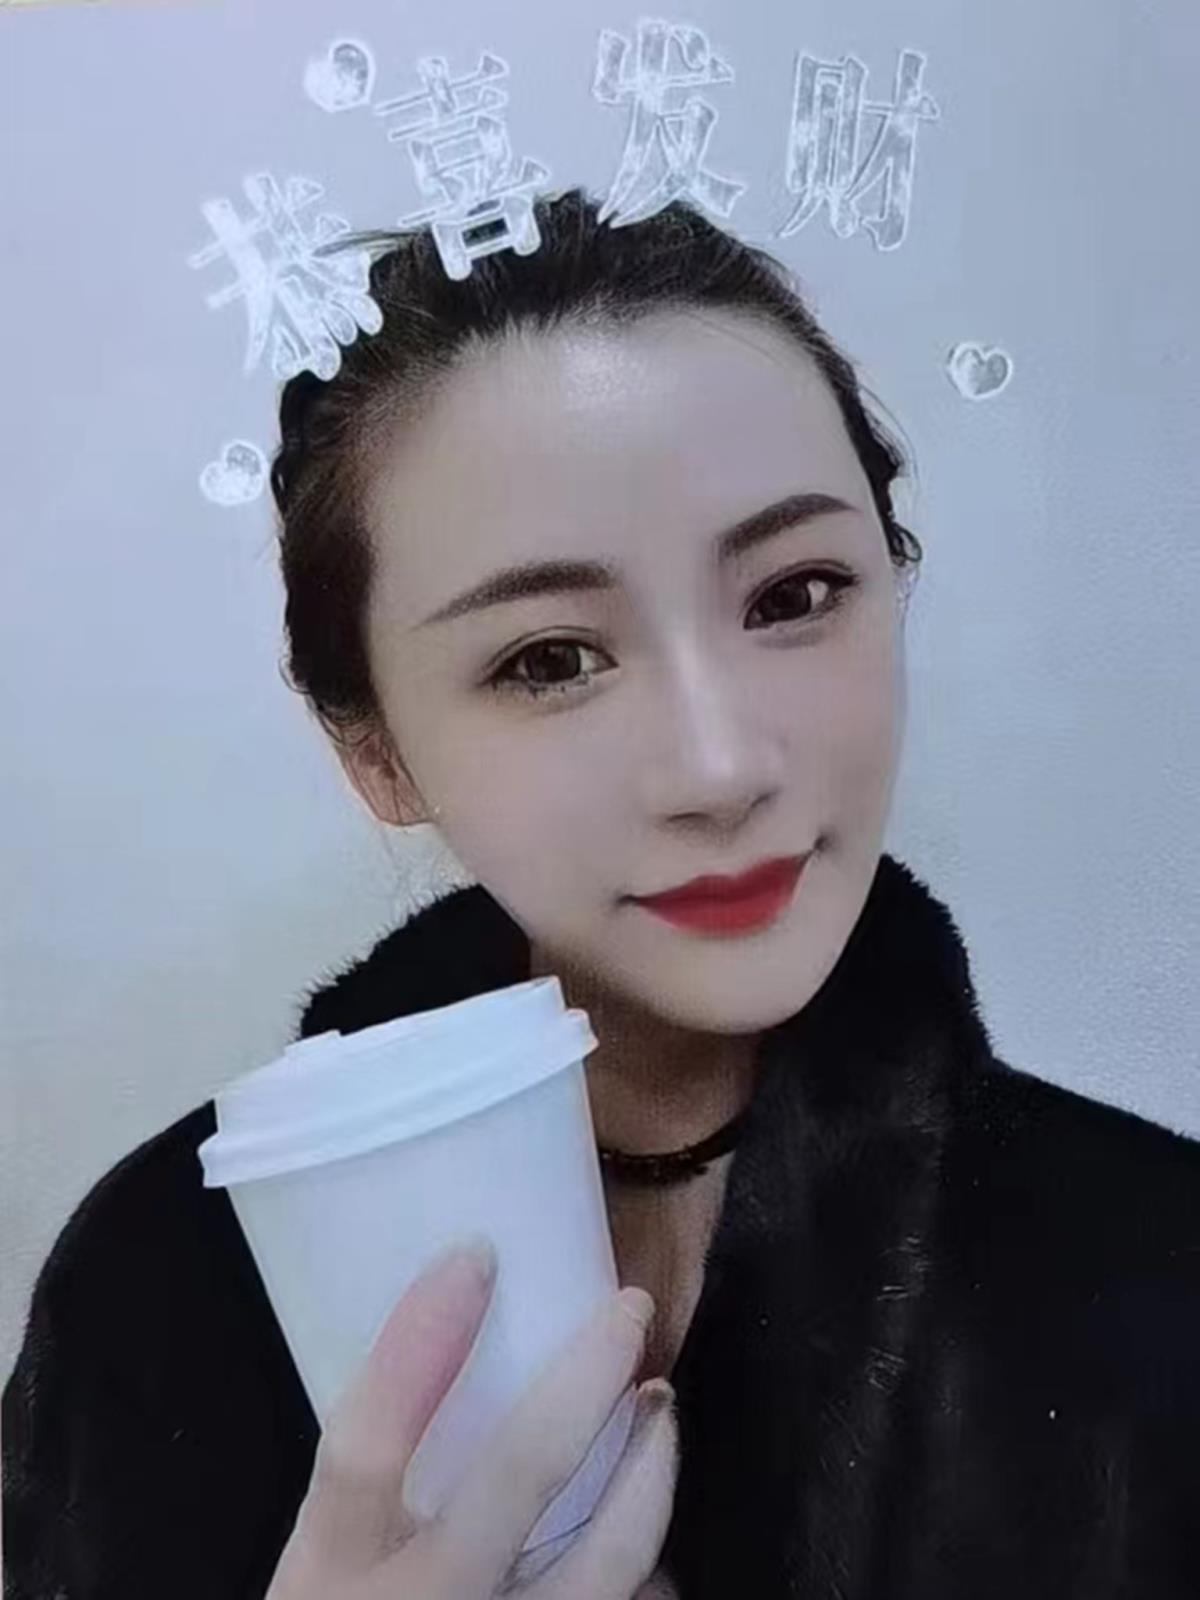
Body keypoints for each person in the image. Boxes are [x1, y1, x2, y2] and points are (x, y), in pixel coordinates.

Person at [4, 186, 1200, 1600]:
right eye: (550, 661)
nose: (720, 769)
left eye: (795, 594)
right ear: (376, 750)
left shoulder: (1157, 1275)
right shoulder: (153, 1292)